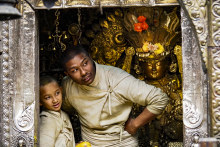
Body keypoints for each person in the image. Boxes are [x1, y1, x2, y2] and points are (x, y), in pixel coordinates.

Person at [61, 45, 169, 147]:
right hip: (90, 142)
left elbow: (159, 98)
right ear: (67, 74)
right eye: (74, 70)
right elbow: (65, 108)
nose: (83, 72)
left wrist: (135, 124)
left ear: (90, 58)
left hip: (121, 143)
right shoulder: (67, 86)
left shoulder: (116, 78)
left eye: (85, 63)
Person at [40, 75, 76, 147]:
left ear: (61, 90)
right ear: (40, 102)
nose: (55, 100)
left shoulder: (64, 114)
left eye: (57, 93)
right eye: (48, 97)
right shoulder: (47, 120)